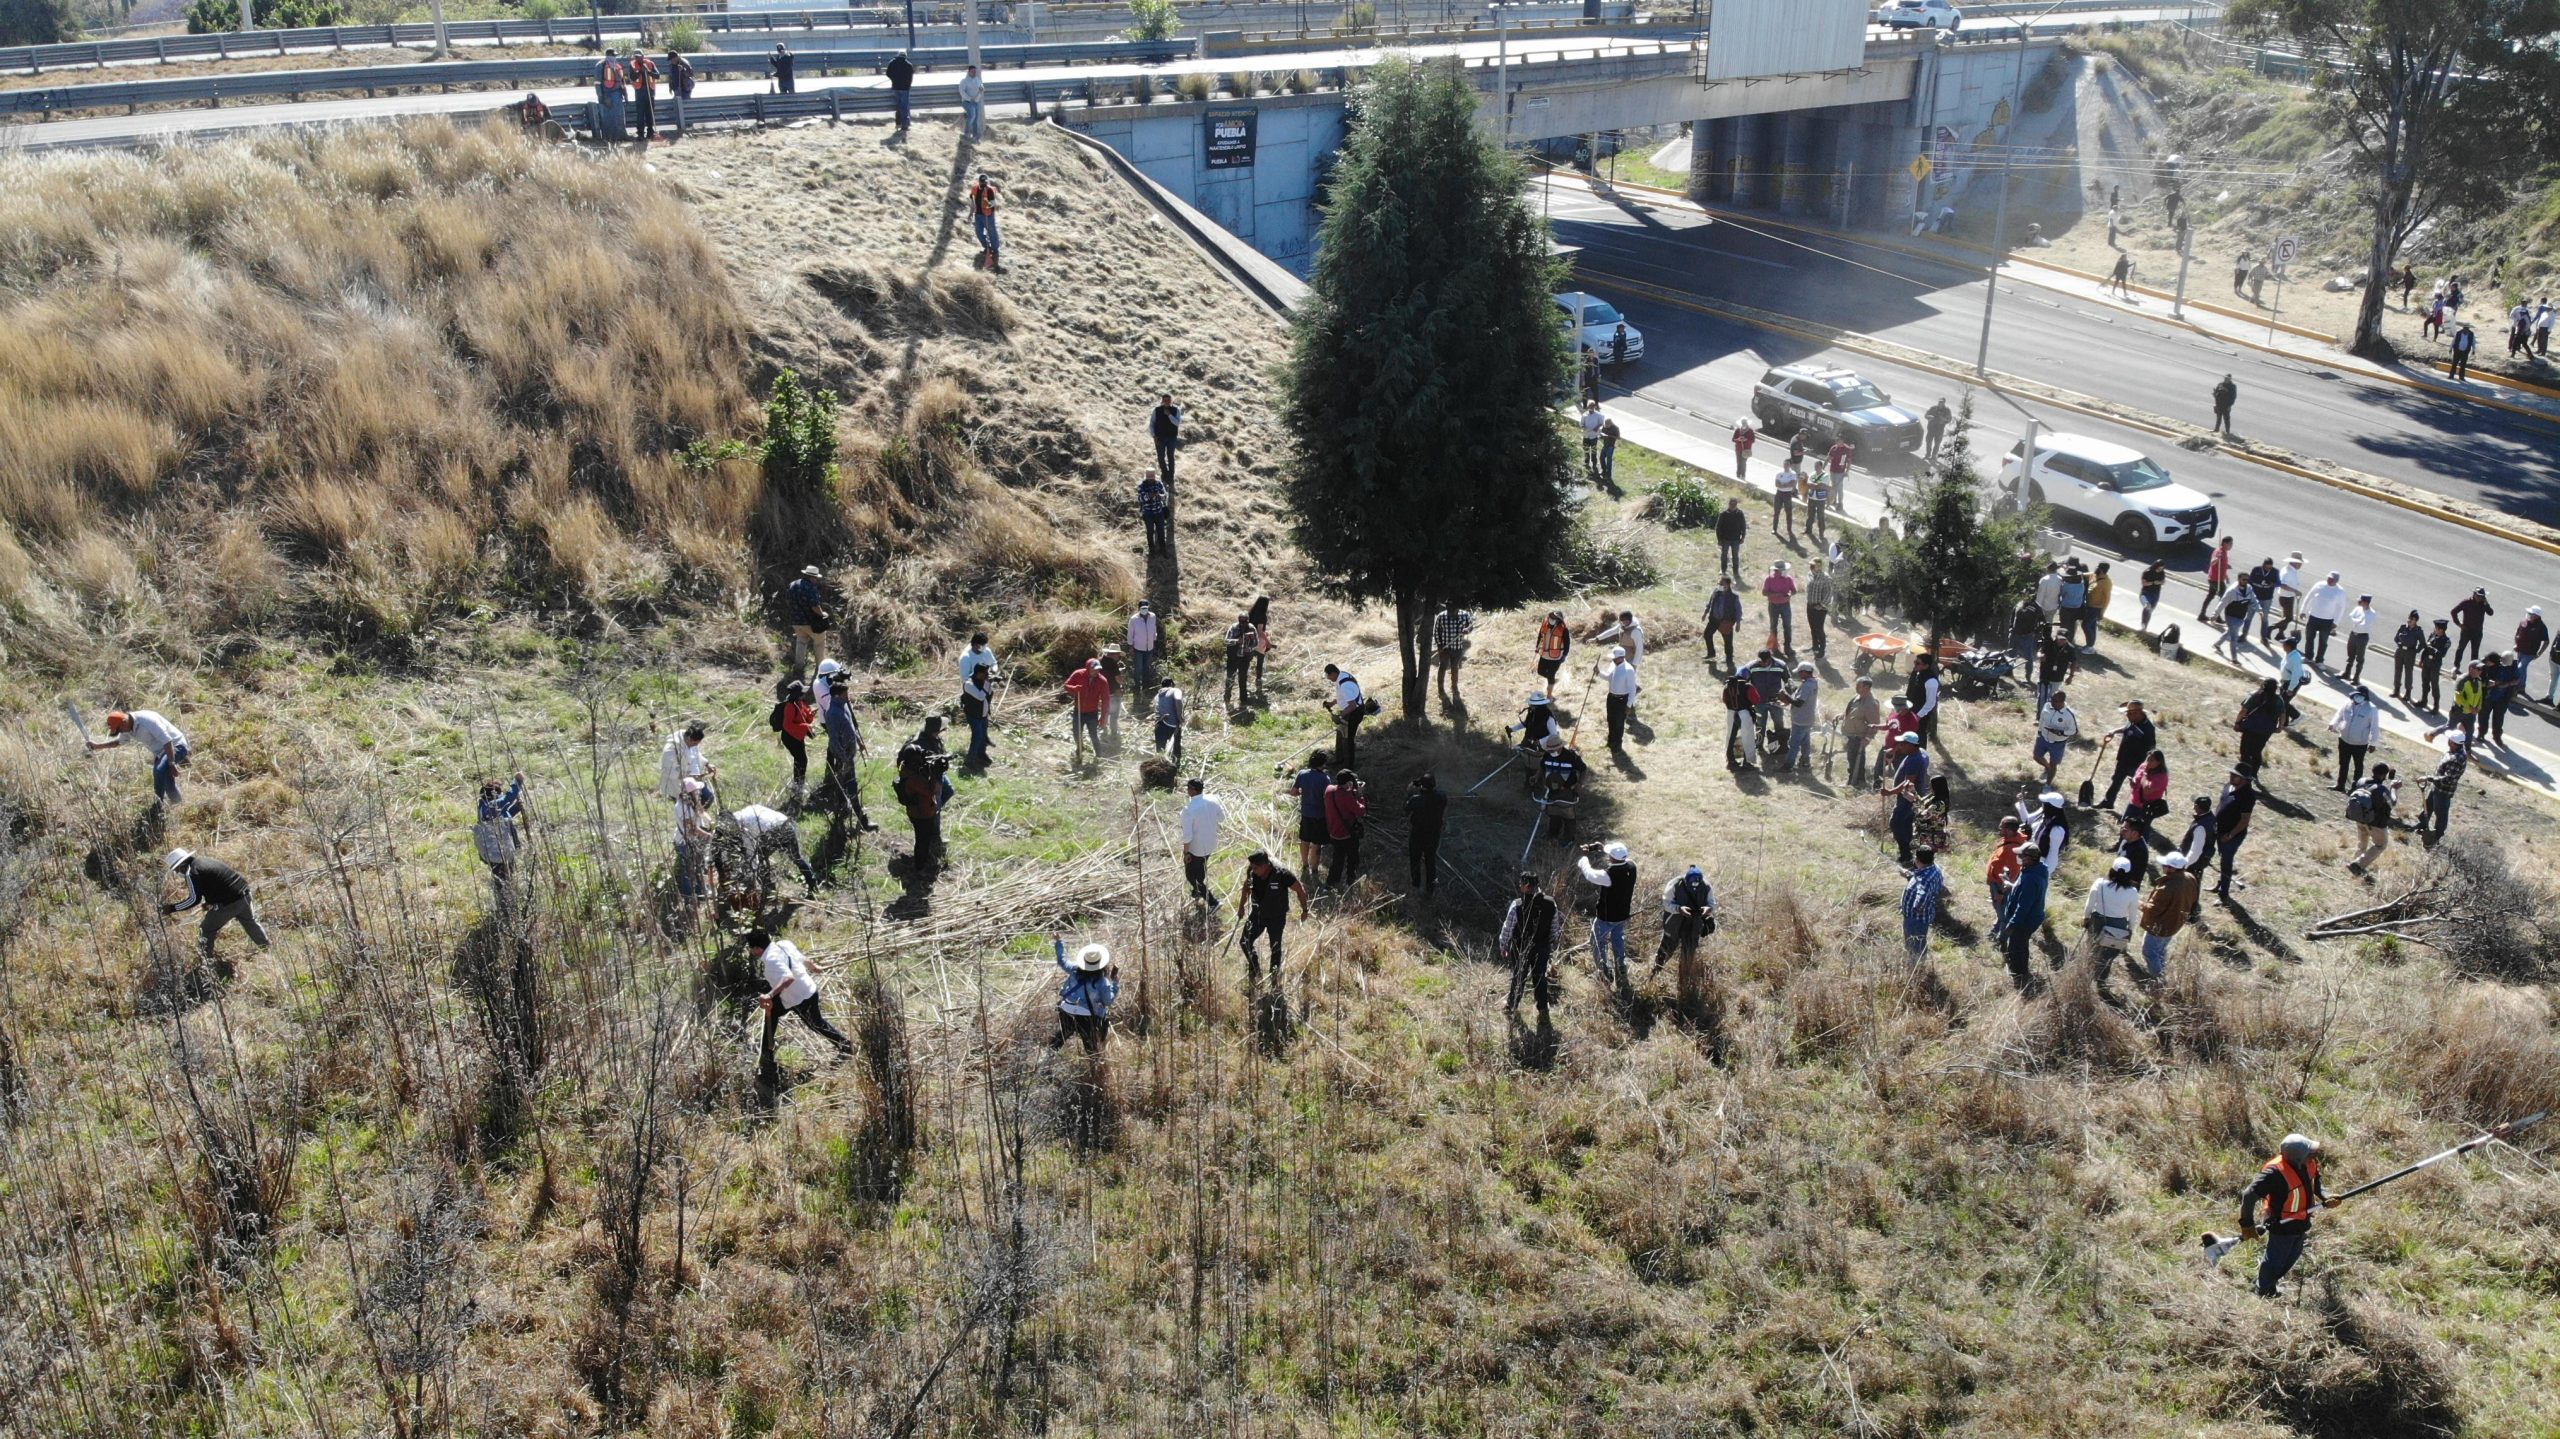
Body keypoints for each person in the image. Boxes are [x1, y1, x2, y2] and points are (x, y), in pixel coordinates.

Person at [751, 929, 853, 1089]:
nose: (751, 952)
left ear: (757, 948)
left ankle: (846, 1045)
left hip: (799, 997)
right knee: (771, 1017)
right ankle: (767, 1058)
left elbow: (788, 978)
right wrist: (813, 967)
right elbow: (801, 958)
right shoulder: (783, 944)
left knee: (815, 1024)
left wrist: (769, 995)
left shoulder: (771, 960)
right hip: (803, 991)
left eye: (751, 949)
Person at [2238, 1134, 2335, 1298]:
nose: (2314, 1156)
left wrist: (2327, 1196)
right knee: (2275, 1261)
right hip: (2281, 1223)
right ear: (2298, 1157)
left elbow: (2316, 1183)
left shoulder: (2308, 1163)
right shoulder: (2274, 1172)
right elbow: (2249, 1195)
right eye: (2310, 1153)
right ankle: (2263, 1292)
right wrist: (2247, 1224)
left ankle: (2269, 1286)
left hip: (2301, 1220)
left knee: (2291, 1258)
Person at [163, 848, 269, 970]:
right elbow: (218, 882)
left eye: (176, 870)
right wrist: (210, 902)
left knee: (206, 929)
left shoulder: (191, 872)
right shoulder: (203, 861)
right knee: (250, 922)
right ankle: (266, 948)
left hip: (229, 903)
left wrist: (171, 908)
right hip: (244, 894)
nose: (177, 872)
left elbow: (194, 900)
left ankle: (206, 963)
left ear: (181, 865)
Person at [813, 662, 877, 829]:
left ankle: (841, 813)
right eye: (845, 694)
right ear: (836, 696)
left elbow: (849, 726)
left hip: (848, 755)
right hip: (844, 758)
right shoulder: (833, 714)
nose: (848, 697)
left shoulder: (842, 707)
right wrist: (845, 759)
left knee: (843, 788)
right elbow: (834, 741)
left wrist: (858, 741)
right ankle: (863, 821)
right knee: (851, 787)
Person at [1501, 870, 1565, 1024]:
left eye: (1521, 884)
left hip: (1520, 948)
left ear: (1527, 886)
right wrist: (1549, 943)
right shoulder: (1551, 903)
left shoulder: (1517, 905)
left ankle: (1512, 1006)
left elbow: (1507, 929)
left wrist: (1504, 945)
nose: (1520, 886)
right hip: (1542, 948)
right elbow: (1554, 928)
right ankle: (1543, 1009)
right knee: (1539, 978)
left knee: (1518, 977)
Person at [1236, 851, 1311, 981]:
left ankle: (1274, 976)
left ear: (1265, 865)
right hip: (1258, 914)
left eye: (1255, 867)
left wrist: (1304, 910)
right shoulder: (1252, 872)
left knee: (1275, 947)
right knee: (1245, 941)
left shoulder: (1282, 875)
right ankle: (1255, 969)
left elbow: (1300, 891)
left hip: (1276, 917)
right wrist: (1241, 906)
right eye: (1252, 867)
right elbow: (1246, 888)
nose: (1252, 870)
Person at [89, 707, 190, 804]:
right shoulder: (127, 725)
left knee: (159, 770)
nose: (121, 733)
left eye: (120, 730)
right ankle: (178, 803)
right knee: (166, 779)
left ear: (124, 723)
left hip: (176, 746)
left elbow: (168, 741)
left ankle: (158, 804)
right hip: (161, 752)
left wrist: (171, 763)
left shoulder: (147, 721)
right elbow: (119, 742)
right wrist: (97, 746)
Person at [1576, 841, 1638, 997]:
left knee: (1597, 942)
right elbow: (1620, 858)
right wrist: (1600, 847)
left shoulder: (1608, 876)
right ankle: (1621, 967)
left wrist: (1583, 859)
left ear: (1613, 858)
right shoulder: (1632, 866)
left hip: (1606, 917)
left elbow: (1590, 874)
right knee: (1618, 940)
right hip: (1622, 915)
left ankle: (1604, 971)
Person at [723, 801, 818, 902]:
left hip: (778, 830)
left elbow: (752, 854)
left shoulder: (746, 826)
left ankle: (770, 890)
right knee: (796, 858)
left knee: (761, 858)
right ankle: (812, 886)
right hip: (785, 823)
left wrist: (752, 876)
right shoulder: (748, 810)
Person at [1993, 846, 2050, 991]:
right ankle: (2022, 969)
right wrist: (2010, 885)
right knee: (2021, 944)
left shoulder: (2030, 878)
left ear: (2028, 858)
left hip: (2025, 920)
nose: (2018, 857)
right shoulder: (2034, 870)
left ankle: (2019, 976)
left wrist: (2013, 923)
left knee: (2016, 947)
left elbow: (2024, 906)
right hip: (2031, 917)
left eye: (2021, 855)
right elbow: (2024, 894)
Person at [1048, 939, 1118, 1054]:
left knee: (1063, 1034)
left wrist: (1058, 942)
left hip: (1066, 1009)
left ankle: (1047, 1058)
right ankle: (1096, 1067)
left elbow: (1062, 961)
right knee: (1091, 1047)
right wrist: (1115, 985)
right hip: (1086, 1016)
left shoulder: (1074, 969)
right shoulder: (1102, 981)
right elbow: (1108, 1001)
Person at [2138, 853, 2198, 983]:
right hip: (2175, 923)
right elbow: (2194, 899)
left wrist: (2139, 904)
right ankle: (2162, 972)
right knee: (2160, 950)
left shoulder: (2167, 887)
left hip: (2160, 926)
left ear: (2172, 869)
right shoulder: (2190, 878)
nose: (2162, 867)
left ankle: (2159, 981)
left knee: (2149, 951)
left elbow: (2153, 909)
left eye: (2165, 865)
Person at [2083, 857, 2141, 981]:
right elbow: (2133, 914)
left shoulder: (2100, 884)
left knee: (2092, 948)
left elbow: (2089, 903)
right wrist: (2130, 929)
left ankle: (2086, 973)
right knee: (2109, 954)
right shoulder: (2132, 892)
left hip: (2098, 920)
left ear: (2111, 870)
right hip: (2119, 924)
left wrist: (2086, 918)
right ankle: (2101, 979)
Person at [474, 771, 529, 898]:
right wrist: (517, 782)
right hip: (498, 854)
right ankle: (506, 908)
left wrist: (516, 808)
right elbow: (508, 799)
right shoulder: (490, 806)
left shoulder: (487, 808)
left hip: (502, 852)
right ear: (495, 794)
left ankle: (508, 904)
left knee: (507, 880)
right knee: (503, 884)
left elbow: (504, 815)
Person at [1652, 865, 1715, 975]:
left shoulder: (1706, 886)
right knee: (1667, 947)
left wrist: (1708, 908)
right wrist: (1679, 909)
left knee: (1689, 951)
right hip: (1674, 921)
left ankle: (1684, 978)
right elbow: (1666, 903)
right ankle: (1655, 971)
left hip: (1694, 923)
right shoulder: (1675, 884)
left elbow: (1712, 902)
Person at [896, 738, 946, 871]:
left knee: (924, 838)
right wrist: (936, 774)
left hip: (919, 811)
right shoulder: (913, 779)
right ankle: (920, 866)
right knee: (922, 840)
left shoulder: (906, 768)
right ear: (913, 761)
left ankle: (923, 859)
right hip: (921, 813)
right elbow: (931, 791)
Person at [2098, 699, 2156, 810]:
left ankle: (2136, 810)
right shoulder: (2132, 721)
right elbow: (2126, 728)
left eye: (2129, 713)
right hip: (2123, 759)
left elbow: (2151, 747)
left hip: (2136, 763)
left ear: (2137, 713)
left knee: (2137, 787)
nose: (2127, 715)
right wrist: (2114, 731)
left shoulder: (2148, 728)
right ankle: (2108, 802)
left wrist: (2147, 765)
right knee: (2116, 781)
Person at [1174, 778, 1224, 902]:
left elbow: (1187, 835)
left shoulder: (1188, 810)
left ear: (1192, 790)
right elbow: (1222, 818)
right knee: (1201, 868)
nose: (1187, 790)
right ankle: (1197, 892)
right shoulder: (1214, 799)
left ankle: (1212, 902)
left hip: (1196, 848)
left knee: (1191, 877)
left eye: (1188, 788)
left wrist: (1186, 853)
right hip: (1210, 843)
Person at [2210, 767, 2256, 898]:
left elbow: (2244, 820)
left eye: (2235, 775)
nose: (2231, 776)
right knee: (2221, 858)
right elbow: (2220, 804)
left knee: (2226, 861)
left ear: (2245, 780)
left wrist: (2230, 835)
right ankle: (2220, 883)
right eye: (2231, 773)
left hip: (2232, 835)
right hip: (2219, 829)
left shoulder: (2248, 796)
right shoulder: (2228, 787)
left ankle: (2223, 893)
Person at [1887, 733, 1931, 866]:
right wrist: (1893, 750)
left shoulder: (1914, 760)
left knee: (1896, 823)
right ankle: (1909, 851)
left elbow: (1908, 782)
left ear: (1911, 745)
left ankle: (1906, 856)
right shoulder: (1921, 752)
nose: (1900, 746)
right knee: (1906, 825)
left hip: (1908, 798)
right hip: (1913, 797)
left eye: (1902, 744)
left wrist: (1890, 792)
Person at [2345, 763, 2397, 875]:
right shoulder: (2382, 790)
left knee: (2362, 844)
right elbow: (2392, 803)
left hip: (2360, 817)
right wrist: (2393, 789)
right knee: (2380, 845)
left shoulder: (2361, 781)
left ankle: (2355, 862)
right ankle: (2357, 865)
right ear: (2384, 776)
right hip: (2376, 824)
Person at [673, 776, 718, 905]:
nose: (698, 793)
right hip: (684, 842)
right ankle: (689, 897)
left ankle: (700, 892)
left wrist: (712, 823)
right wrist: (709, 836)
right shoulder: (682, 808)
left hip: (692, 840)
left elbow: (702, 811)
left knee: (697, 866)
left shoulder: (691, 802)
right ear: (689, 793)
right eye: (695, 791)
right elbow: (692, 829)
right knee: (688, 869)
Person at [958, 634, 1000, 768]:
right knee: (976, 737)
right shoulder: (966, 658)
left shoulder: (985, 652)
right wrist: (987, 683)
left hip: (982, 702)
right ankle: (970, 760)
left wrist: (992, 674)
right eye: (985, 673)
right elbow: (978, 694)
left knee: (982, 730)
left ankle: (981, 754)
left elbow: (993, 663)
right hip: (974, 702)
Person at [2415, 735, 2470, 839]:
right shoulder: (2455, 750)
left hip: (2443, 791)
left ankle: (2436, 836)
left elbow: (2447, 779)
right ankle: (2422, 825)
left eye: (2449, 740)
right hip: (2436, 787)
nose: (2448, 741)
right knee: (2427, 806)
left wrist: (2427, 778)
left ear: (2452, 742)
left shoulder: (2456, 759)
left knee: (2441, 814)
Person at [2328, 685, 2380, 791]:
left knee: (2358, 766)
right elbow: (2339, 714)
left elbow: (2374, 727)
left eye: (2361, 696)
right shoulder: (2348, 703)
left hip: (2359, 743)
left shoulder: (2371, 709)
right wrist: (2333, 724)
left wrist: (2373, 743)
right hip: (2344, 739)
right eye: (2356, 695)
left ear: (2365, 697)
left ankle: (2355, 788)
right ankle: (2340, 785)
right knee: (2343, 763)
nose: (2358, 698)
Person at [1322, 769, 1366, 888]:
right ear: (1348, 783)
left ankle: (1331, 883)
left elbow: (1341, 796)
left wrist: (1352, 791)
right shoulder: (1346, 796)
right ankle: (1350, 881)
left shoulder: (1329, 790)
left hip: (1333, 832)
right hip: (1347, 833)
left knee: (1337, 859)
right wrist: (1360, 795)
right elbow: (1361, 811)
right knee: (1353, 858)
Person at [1291, 749, 1332, 877]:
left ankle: (1304, 864)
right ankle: (1314, 869)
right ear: (1323, 764)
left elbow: (1294, 792)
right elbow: (1327, 798)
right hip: (1319, 815)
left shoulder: (1302, 774)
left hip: (1305, 813)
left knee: (1304, 840)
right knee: (1316, 844)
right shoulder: (1325, 779)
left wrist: (1303, 792)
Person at [1064, 657, 1110, 767]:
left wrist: (1103, 717)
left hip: (1092, 713)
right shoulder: (1078, 674)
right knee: (1076, 733)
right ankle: (1079, 749)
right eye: (1094, 669)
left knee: (1093, 735)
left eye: (1098, 669)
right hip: (1078, 711)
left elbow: (1106, 700)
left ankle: (1099, 756)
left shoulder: (1102, 681)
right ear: (1088, 668)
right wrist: (1074, 689)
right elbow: (1066, 686)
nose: (1096, 672)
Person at [783, 564, 830, 672]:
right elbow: (815, 607)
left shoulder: (793, 584)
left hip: (796, 621)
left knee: (801, 642)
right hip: (812, 622)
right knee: (819, 642)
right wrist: (823, 614)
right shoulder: (811, 588)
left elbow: (788, 601)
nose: (817, 581)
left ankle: (799, 667)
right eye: (816, 579)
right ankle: (820, 668)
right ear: (812, 577)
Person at [1902, 848, 1945, 963]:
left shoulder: (1924, 879)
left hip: (1915, 919)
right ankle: (1917, 962)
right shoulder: (1935, 869)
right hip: (1924, 916)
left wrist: (1915, 908)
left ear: (1917, 860)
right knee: (1919, 942)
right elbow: (1922, 880)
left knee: (1914, 944)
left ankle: (1916, 967)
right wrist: (1911, 875)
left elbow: (1922, 896)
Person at [1322, 663, 1368, 768]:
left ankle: (1349, 766)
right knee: (1340, 734)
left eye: (1328, 676)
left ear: (1333, 673)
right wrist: (1332, 703)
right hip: (1349, 711)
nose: (1328, 678)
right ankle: (1339, 760)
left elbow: (1352, 706)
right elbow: (1342, 697)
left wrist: (1340, 716)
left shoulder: (1345, 685)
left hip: (1354, 713)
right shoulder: (1341, 677)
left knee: (1348, 739)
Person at [2233, 680, 2284, 775]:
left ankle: (2244, 772)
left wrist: (2237, 723)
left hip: (2250, 728)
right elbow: (2282, 714)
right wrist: (2280, 726)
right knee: (2257, 751)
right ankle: (2254, 773)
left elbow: (2243, 711)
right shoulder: (2279, 700)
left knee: (2245, 750)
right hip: (2266, 731)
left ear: (2263, 685)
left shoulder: (2254, 695)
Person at [2032, 688, 2078, 787]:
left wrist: (2061, 732)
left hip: (2058, 743)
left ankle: (2047, 785)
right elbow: (2042, 719)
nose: (2052, 702)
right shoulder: (2047, 706)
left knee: (2054, 764)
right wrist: (2039, 732)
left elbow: (2073, 731)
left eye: (2055, 701)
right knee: (2036, 756)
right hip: (2043, 737)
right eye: (2051, 699)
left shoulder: (2068, 715)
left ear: (2062, 702)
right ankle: (2048, 769)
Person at [2302, 571, 2349, 667]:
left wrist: (2336, 621)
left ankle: (2319, 660)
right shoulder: (2319, 585)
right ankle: (2308, 656)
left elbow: (2341, 607)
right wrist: (2303, 610)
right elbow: (2309, 597)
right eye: (2328, 578)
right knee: (2309, 638)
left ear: (2336, 581)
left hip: (2327, 620)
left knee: (2323, 641)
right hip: (2314, 616)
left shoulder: (2340, 591)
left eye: (2332, 579)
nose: (2329, 580)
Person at [1781, 662, 1821, 774]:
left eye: (1800, 672)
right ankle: (1805, 762)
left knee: (1794, 744)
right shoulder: (1812, 682)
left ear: (1804, 672)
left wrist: (1786, 697)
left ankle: (1788, 766)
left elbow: (1799, 703)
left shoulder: (1807, 685)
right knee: (1805, 742)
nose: (1798, 675)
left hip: (1801, 720)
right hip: (1807, 718)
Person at [1840, 677, 1880, 788]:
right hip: (1850, 735)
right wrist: (1841, 716)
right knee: (1851, 758)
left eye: (1858, 685)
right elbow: (1852, 711)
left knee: (1855, 760)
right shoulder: (1857, 697)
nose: (1856, 687)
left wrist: (1867, 739)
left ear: (1866, 687)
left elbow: (1874, 724)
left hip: (1858, 737)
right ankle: (1857, 780)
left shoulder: (1870, 704)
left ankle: (1855, 782)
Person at [1431, 604, 1474, 703]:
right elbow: (1436, 631)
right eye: (1448, 608)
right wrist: (1439, 645)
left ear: (1457, 608)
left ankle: (1454, 687)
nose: (1450, 611)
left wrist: (1468, 629)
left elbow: (1471, 625)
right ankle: (1440, 689)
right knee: (1443, 666)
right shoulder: (1441, 616)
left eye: (1452, 609)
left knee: (1455, 667)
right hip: (1445, 648)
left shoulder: (1465, 615)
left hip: (1458, 648)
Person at [2124, 749, 2172, 838]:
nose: (2148, 762)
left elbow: (2147, 790)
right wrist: (2133, 783)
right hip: (2134, 802)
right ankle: (2120, 844)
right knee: (2126, 826)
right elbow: (2136, 779)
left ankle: (2140, 848)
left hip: (2146, 807)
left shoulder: (2161, 776)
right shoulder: (2143, 766)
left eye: (2151, 760)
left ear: (2159, 762)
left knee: (2142, 830)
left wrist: (2145, 774)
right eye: (2148, 759)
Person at [1722, 666, 1762, 771]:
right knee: (1748, 738)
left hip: (1731, 713)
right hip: (1744, 713)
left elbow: (1724, 700)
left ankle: (1731, 761)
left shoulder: (1727, 686)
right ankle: (1747, 762)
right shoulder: (1748, 686)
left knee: (1730, 738)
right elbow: (1756, 700)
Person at [1599, 646, 1637, 750]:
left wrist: (1628, 705)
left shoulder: (1629, 670)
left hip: (1621, 700)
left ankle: (1617, 745)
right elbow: (1609, 677)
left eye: (1614, 658)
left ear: (1621, 657)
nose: (1613, 660)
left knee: (1619, 723)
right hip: (1611, 698)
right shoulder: (1614, 665)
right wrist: (1598, 672)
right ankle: (1610, 741)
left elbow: (1632, 690)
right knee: (1610, 720)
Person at [1702, 579, 1743, 671]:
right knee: (1707, 634)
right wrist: (1705, 613)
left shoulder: (1734, 596)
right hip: (1714, 619)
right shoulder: (1716, 593)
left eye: (1722, 584)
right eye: (1719, 584)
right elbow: (1710, 603)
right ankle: (1711, 653)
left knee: (1727, 641)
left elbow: (1738, 610)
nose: (1720, 585)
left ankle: (1729, 658)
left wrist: (1738, 623)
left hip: (1726, 621)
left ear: (1728, 585)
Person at [1223, 611, 1260, 709]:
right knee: (1230, 678)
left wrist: (1250, 648)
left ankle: (1243, 701)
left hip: (1245, 658)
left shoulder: (1252, 628)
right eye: (1241, 621)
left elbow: (1256, 642)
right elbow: (1226, 640)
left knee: (1243, 679)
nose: (1242, 623)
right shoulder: (1233, 627)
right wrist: (1236, 641)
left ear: (1248, 621)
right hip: (1233, 658)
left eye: (1245, 621)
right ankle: (1227, 699)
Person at [1907, 653, 1942, 750]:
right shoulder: (1917, 674)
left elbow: (1931, 703)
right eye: (1915, 662)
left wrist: (1919, 716)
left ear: (1926, 666)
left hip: (1920, 715)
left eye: (1918, 663)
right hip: (1911, 710)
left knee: (1919, 736)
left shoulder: (1931, 681)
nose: (1915, 665)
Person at [968, 171, 1001, 270]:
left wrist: (988, 205)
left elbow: (993, 204)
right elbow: (973, 203)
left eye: (985, 182)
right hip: (978, 215)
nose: (984, 184)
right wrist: (970, 214)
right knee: (978, 232)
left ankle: (995, 250)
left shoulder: (990, 191)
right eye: (982, 182)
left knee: (992, 233)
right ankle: (987, 247)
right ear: (979, 182)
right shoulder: (975, 189)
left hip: (988, 215)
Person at [2389, 610, 2425, 701]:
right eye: (2409, 617)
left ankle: (2408, 693)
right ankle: (2396, 690)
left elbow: (2422, 643)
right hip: (2400, 651)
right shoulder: (2403, 627)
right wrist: (2399, 644)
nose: (2409, 620)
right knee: (2398, 671)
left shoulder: (2418, 631)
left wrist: (2416, 651)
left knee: (2408, 673)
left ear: (2416, 620)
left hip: (2410, 653)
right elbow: (2396, 638)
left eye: (2412, 619)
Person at [1762, 562, 1798, 655]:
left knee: (1787, 626)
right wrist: (1777, 595)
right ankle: (1774, 647)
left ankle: (1787, 647)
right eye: (1783, 570)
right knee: (1773, 626)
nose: (1785, 571)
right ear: (1777, 570)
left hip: (1785, 605)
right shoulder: (1769, 579)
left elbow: (1794, 591)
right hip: (1773, 605)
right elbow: (1764, 593)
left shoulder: (1788, 578)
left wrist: (1789, 595)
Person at [2197, 536, 2235, 623]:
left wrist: (2226, 576)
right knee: (2223, 598)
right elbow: (2213, 562)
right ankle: (2216, 616)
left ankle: (2202, 614)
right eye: (2230, 544)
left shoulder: (2224, 552)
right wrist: (2217, 559)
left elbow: (2222, 567)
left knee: (2210, 596)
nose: (2231, 546)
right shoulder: (2219, 552)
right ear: (2225, 544)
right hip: (2215, 579)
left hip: (2218, 579)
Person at [2514, 606, 2548, 702]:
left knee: (2520, 668)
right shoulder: (2524, 622)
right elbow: (2517, 633)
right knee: (2523, 669)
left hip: (2530, 653)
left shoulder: (2541, 627)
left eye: (2531, 614)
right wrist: (2516, 644)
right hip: (2520, 650)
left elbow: (2546, 641)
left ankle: (2515, 687)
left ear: (2537, 616)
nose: (2529, 615)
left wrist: (2539, 653)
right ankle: (2521, 688)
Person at [2417, 617, 2452, 711]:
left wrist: (2431, 649)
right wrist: (2421, 660)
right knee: (2425, 682)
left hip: (2435, 664)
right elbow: (2425, 648)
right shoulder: (2433, 635)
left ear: (2441, 629)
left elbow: (2442, 654)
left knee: (2434, 684)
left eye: (2436, 628)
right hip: (2427, 662)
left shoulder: (2446, 641)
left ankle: (2436, 705)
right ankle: (2423, 700)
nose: (2434, 629)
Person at [594, 48, 628, 142]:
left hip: (617, 94)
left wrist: (625, 94)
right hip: (607, 95)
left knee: (619, 116)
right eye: (613, 56)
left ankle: (621, 136)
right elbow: (597, 83)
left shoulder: (617, 66)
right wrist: (602, 97)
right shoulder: (600, 66)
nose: (614, 58)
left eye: (615, 56)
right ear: (608, 55)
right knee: (608, 117)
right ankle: (609, 138)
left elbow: (622, 81)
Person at [1534, 609, 1572, 687]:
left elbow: (1567, 643)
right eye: (1551, 617)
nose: (1552, 619)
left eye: (1554, 618)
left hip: (1557, 657)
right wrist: (1537, 647)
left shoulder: (1563, 629)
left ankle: (1549, 695)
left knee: (1551, 674)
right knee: (1540, 671)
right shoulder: (1545, 626)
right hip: (1544, 654)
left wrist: (1564, 655)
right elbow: (1540, 637)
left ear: (1559, 619)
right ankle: (1552, 680)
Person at [1150, 393, 1182, 484]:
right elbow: (1152, 423)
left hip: (1172, 438)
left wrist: (1169, 415)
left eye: (1169, 400)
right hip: (1159, 438)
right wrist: (1154, 435)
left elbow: (1177, 423)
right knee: (1160, 457)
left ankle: (1170, 477)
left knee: (1170, 457)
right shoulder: (1156, 410)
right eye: (1165, 400)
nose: (1167, 402)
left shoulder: (1176, 410)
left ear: (1171, 401)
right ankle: (1165, 474)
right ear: (1162, 401)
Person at [627, 49, 658, 142]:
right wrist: (640, 71)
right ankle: (640, 133)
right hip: (640, 92)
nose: (638, 58)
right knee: (640, 114)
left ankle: (650, 132)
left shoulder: (650, 64)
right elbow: (632, 77)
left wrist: (648, 71)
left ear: (643, 56)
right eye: (636, 57)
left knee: (650, 113)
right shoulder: (632, 65)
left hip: (650, 91)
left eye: (639, 56)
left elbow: (657, 75)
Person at [1136, 474, 1172, 555]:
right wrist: (1149, 495)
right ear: (1146, 478)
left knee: (1161, 531)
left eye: (1152, 478)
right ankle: (1152, 550)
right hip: (1148, 513)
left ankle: (1163, 549)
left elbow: (1165, 496)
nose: (1151, 480)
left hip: (1159, 512)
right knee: (1150, 532)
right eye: (1149, 479)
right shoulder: (1142, 486)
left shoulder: (1158, 483)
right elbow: (1140, 499)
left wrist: (1159, 495)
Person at [1714, 495, 1747, 576]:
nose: (1733, 506)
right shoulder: (1723, 514)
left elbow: (1743, 526)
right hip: (1725, 539)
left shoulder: (1740, 513)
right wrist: (1719, 540)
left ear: (1736, 505)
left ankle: (1736, 571)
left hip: (1736, 539)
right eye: (1731, 504)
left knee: (1735, 556)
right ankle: (1723, 570)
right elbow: (1718, 527)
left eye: (1734, 505)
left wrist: (1743, 537)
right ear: (1728, 504)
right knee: (1724, 555)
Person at [1152, 681, 1185, 762]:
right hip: (1173, 726)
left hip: (1159, 725)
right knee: (1176, 750)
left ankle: (1159, 770)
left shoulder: (1157, 696)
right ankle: (1175, 766)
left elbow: (1154, 709)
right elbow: (1178, 699)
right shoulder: (1175, 690)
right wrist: (1180, 716)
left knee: (1160, 753)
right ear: (1171, 684)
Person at [885, 50, 916, 131]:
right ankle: (905, 125)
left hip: (895, 87)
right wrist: (908, 85)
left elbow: (888, 73)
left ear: (898, 55)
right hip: (905, 88)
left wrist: (893, 79)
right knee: (905, 106)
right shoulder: (908, 64)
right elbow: (910, 78)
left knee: (898, 106)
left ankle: (898, 123)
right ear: (905, 56)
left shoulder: (892, 63)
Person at [1804, 463, 1833, 544]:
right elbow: (1808, 484)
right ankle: (1808, 530)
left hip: (1821, 499)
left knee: (1821, 516)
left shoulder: (1825, 476)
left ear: (1821, 466)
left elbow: (1822, 486)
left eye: (1817, 466)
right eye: (1815, 466)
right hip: (1812, 497)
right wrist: (1816, 485)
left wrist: (1815, 485)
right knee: (1810, 515)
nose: (1815, 467)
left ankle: (1821, 533)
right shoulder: (1812, 474)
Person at [1771, 453, 1798, 538]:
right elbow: (1777, 484)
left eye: (1787, 464)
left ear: (1790, 465)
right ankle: (1774, 528)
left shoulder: (1793, 474)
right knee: (1776, 511)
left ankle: (1789, 530)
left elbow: (1793, 484)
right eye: (1784, 464)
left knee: (1788, 512)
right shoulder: (1779, 473)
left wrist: (1783, 484)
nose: (1785, 465)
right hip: (1779, 493)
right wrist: (1786, 484)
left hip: (1787, 494)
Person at [2137, 558, 2167, 632]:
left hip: (2156, 593)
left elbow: (2163, 582)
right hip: (2146, 593)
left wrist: (2159, 582)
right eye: (2159, 568)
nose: (2160, 569)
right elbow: (2144, 583)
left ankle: (2145, 626)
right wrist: (2153, 583)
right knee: (2147, 607)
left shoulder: (2162, 573)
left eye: (2162, 568)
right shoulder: (2147, 572)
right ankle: (2143, 625)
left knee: (2150, 611)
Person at [1578, 400, 1605, 479]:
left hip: (1593, 436)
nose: (1591, 408)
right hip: (1586, 435)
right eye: (1590, 406)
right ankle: (1586, 462)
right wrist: (1584, 428)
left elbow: (1601, 423)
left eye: (1593, 406)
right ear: (1588, 407)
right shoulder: (1584, 415)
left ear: (1595, 407)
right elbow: (1581, 424)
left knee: (1593, 450)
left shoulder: (1598, 415)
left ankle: (1594, 463)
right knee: (1586, 449)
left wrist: (1597, 427)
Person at [958, 63, 985, 139]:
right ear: (969, 72)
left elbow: (981, 86)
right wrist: (969, 99)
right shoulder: (964, 81)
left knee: (975, 118)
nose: (974, 73)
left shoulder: (977, 80)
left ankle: (975, 135)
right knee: (972, 115)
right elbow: (962, 92)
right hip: (967, 102)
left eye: (975, 71)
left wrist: (982, 88)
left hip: (976, 102)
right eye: (972, 71)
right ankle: (967, 133)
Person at [1825, 436, 1853, 505]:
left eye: (1840, 441)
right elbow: (1828, 457)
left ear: (1843, 441)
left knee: (1839, 488)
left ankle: (1840, 503)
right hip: (1832, 470)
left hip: (1840, 472)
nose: (1838, 442)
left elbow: (1849, 461)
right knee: (1833, 486)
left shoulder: (1847, 449)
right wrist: (1823, 466)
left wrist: (1847, 471)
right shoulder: (1834, 448)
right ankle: (1833, 500)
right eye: (1837, 441)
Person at [1731, 417, 1756, 481]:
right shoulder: (1738, 430)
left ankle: (1743, 474)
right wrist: (1738, 439)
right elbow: (1733, 439)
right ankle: (1738, 474)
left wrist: (1746, 440)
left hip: (1746, 450)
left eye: (1745, 422)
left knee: (1743, 462)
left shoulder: (1750, 431)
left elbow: (1753, 440)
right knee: (1738, 462)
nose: (1744, 423)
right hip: (1738, 449)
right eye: (1743, 422)